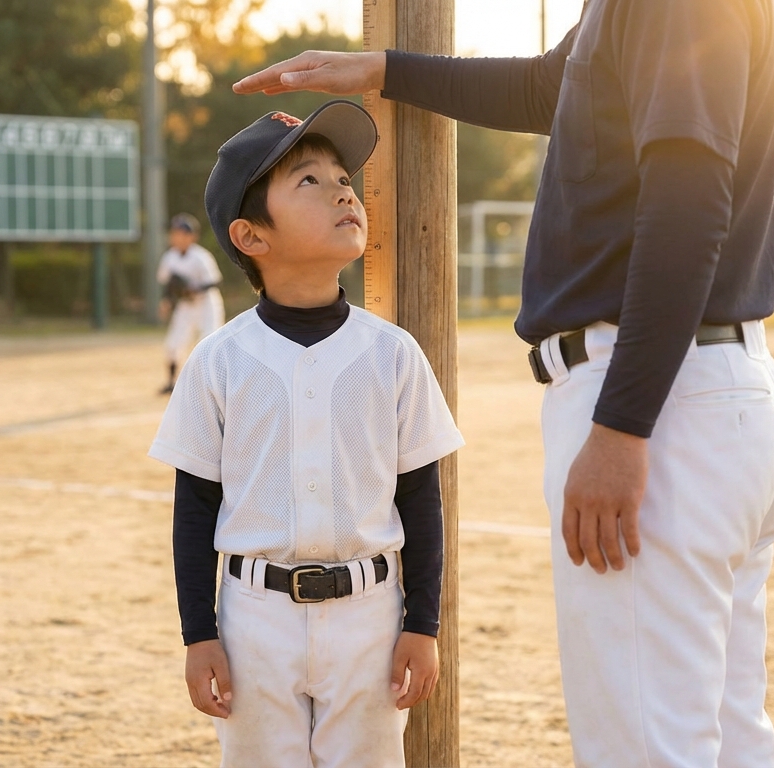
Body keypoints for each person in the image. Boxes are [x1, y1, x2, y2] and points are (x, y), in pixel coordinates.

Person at [235, 1, 774, 765]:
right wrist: (384, 69)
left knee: (647, 746)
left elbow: (689, 206)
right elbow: (548, 88)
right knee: (728, 736)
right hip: (708, 388)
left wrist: (623, 425)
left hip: (657, 397)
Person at [148, 100, 465, 767]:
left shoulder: (394, 352)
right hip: (252, 620)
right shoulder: (220, 359)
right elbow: (194, 506)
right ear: (250, 237)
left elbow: (421, 498)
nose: (344, 190)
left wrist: (423, 624)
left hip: (370, 619)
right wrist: (198, 634)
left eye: (344, 178)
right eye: (309, 182)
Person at [156, 213, 224, 394]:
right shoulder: (170, 257)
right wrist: (167, 301)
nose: (177, 236)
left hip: (206, 304)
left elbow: (215, 281)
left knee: (209, 342)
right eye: (175, 232)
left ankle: (211, 384)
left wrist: (196, 289)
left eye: (181, 233)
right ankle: (172, 382)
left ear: (191, 236)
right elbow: (168, 283)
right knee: (173, 343)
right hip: (186, 305)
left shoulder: (201, 256)